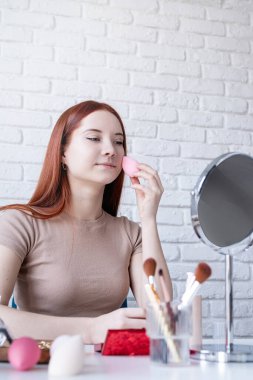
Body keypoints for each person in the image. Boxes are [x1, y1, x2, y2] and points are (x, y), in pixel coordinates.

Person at [0, 100, 172, 344]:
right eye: (94, 138)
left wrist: (149, 218)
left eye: (119, 141)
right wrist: (91, 329)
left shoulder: (131, 233)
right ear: (63, 153)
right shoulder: (19, 224)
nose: (111, 149)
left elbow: (161, 314)